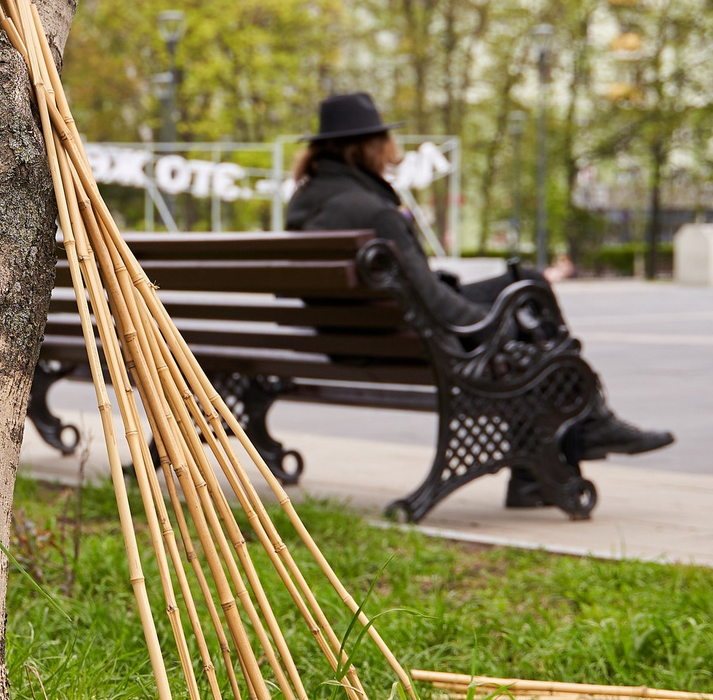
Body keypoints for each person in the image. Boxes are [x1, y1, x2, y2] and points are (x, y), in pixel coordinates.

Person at [284, 91, 674, 462]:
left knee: (527, 283)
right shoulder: (373, 212)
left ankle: (571, 442)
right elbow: (434, 305)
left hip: (352, 337)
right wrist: (497, 324)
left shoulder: (305, 203)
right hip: (406, 341)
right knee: (528, 311)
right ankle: (582, 430)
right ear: (369, 147)